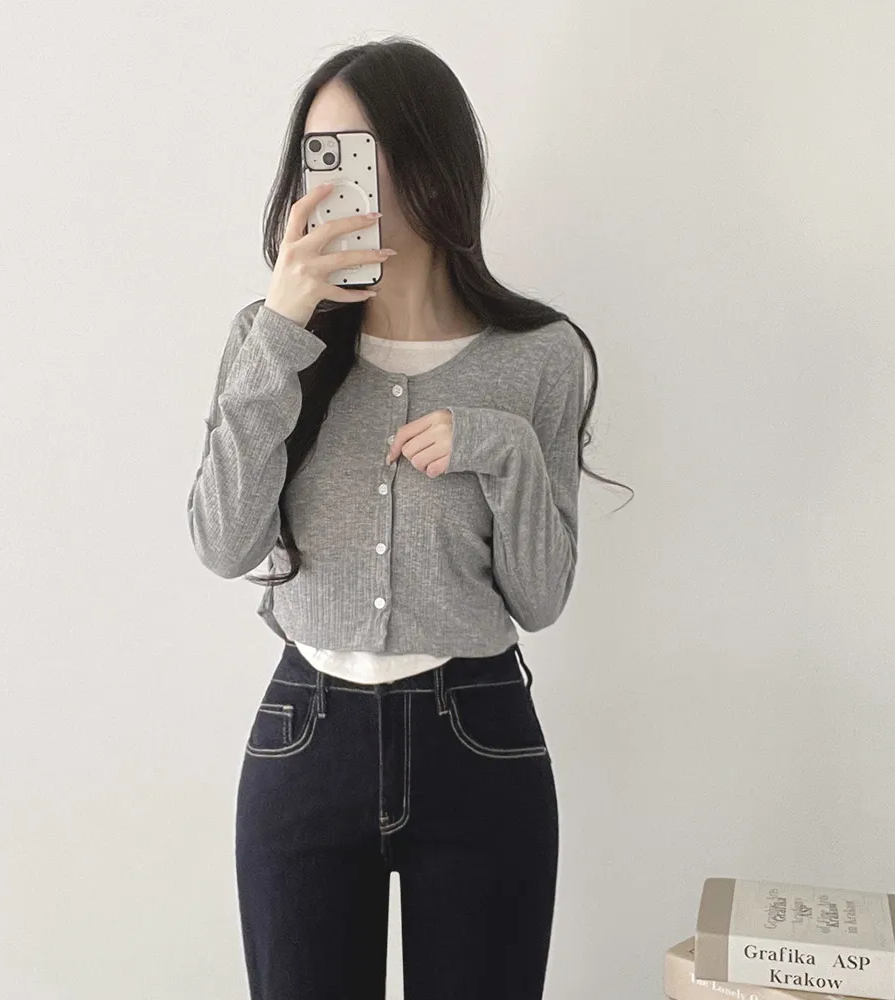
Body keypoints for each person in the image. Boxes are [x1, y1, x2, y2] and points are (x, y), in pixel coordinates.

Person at [187, 35, 630, 1000]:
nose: (332, 183)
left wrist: (502, 445)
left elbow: (540, 599)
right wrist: (282, 328)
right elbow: (222, 542)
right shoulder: (268, 342)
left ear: (433, 163)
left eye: (356, 151)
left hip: (480, 737)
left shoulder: (540, 355)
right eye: (318, 156)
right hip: (305, 738)